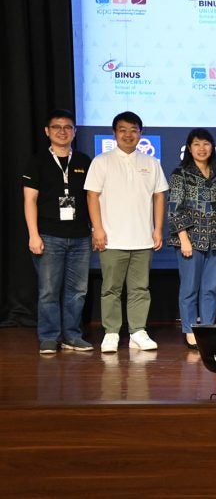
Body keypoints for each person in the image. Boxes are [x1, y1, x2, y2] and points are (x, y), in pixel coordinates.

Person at [84, 111, 168, 353]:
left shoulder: (151, 163)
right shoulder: (102, 161)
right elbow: (92, 196)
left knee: (140, 288)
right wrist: (97, 229)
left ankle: (137, 331)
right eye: (123, 129)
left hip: (142, 238)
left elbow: (159, 196)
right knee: (110, 288)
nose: (128, 134)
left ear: (141, 133)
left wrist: (158, 228)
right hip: (111, 238)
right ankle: (111, 332)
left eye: (134, 130)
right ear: (114, 133)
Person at [22, 109, 93, 354]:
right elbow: (29, 200)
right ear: (47, 131)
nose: (62, 131)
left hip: (81, 236)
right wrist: (33, 234)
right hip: (49, 235)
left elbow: (92, 199)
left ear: (75, 131)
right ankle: (49, 337)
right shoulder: (38, 160)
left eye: (67, 127)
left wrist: (94, 230)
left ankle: (72, 336)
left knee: (77, 292)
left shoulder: (84, 161)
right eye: (56, 127)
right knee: (49, 291)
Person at [168, 128, 216, 349]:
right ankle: (189, 330)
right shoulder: (181, 174)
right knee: (189, 288)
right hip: (190, 239)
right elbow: (175, 208)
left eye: (206, 144)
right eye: (196, 144)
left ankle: (207, 328)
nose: (202, 148)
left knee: (211, 288)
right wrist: (184, 238)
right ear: (189, 148)